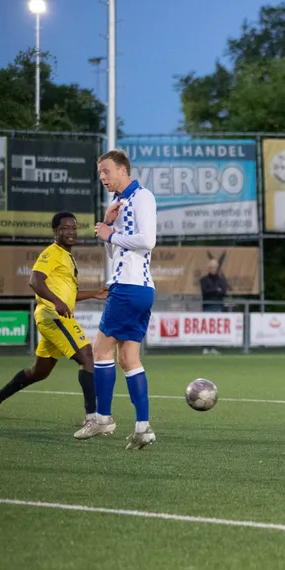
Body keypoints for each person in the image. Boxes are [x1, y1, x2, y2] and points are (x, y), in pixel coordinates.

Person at [0, 213, 107, 430]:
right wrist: (56, 301)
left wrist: (94, 293)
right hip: (53, 316)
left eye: (74, 228)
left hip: (54, 316)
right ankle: (92, 418)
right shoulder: (52, 252)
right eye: (65, 228)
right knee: (87, 356)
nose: (71, 232)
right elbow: (35, 280)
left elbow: (68, 295)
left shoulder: (67, 256)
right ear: (55, 231)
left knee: (39, 372)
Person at [74, 149, 158, 450]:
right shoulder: (119, 203)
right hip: (138, 288)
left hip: (129, 286)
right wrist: (107, 227)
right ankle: (143, 428)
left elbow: (148, 241)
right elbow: (117, 251)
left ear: (123, 170)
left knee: (100, 350)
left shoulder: (142, 197)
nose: (103, 177)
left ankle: (102, 418)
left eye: (106, 171)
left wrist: (110, 235)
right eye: (100, 172)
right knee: (128, 359)